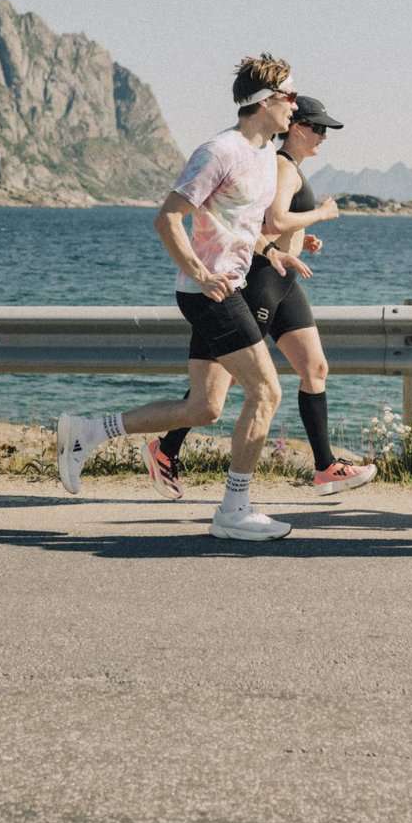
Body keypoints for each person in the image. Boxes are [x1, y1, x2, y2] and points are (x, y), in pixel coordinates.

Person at [55, 55, 299, 542]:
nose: (295, 106)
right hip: (210, 294)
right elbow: (168, 218)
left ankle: (87, 432)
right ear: (264, 102)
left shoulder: (266, 158)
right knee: (266, 391)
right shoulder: (219, 151)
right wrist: (201, 273)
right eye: (289, 97)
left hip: (231, 286)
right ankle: (234, 508)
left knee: (205, 408)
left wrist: (271, 251)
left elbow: (238, 227)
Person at [144, 94, 377, 498]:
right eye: (318, 128)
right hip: (263, 280)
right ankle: (166, 448)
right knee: (227, 380)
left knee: (315, 368)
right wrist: (320, 214)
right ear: (298, 127)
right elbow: (276, 219)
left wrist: (302, 241)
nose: (323, 136)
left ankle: (324, 467)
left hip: (285, 278)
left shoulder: (288, 167)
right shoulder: (284, 166)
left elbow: (269, 227)